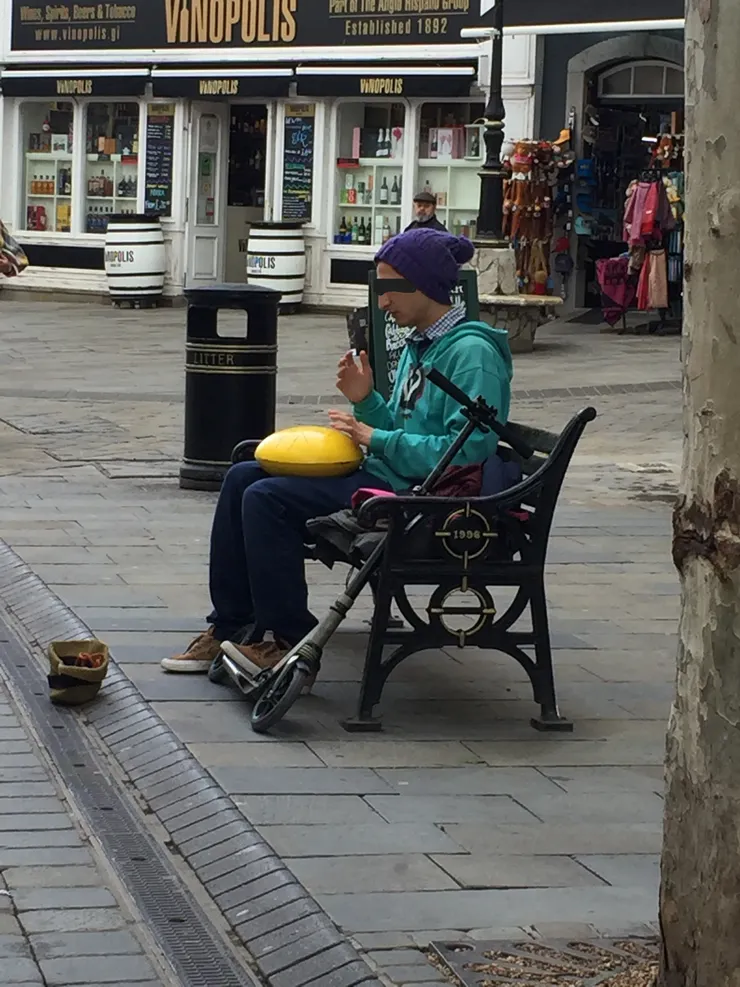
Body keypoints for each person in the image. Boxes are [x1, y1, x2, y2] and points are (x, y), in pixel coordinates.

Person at [161, 228, 513, 676]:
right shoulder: (420, 344)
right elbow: (405, 428)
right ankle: (230, 625)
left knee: (266, 498)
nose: (383, 302)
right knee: (243, 475)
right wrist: (366, 400)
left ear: (424, 284)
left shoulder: (471, 354)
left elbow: (466, 453)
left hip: (418, 497)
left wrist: (373, 437)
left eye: (391, 288)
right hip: (392, 477)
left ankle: (288, 638)